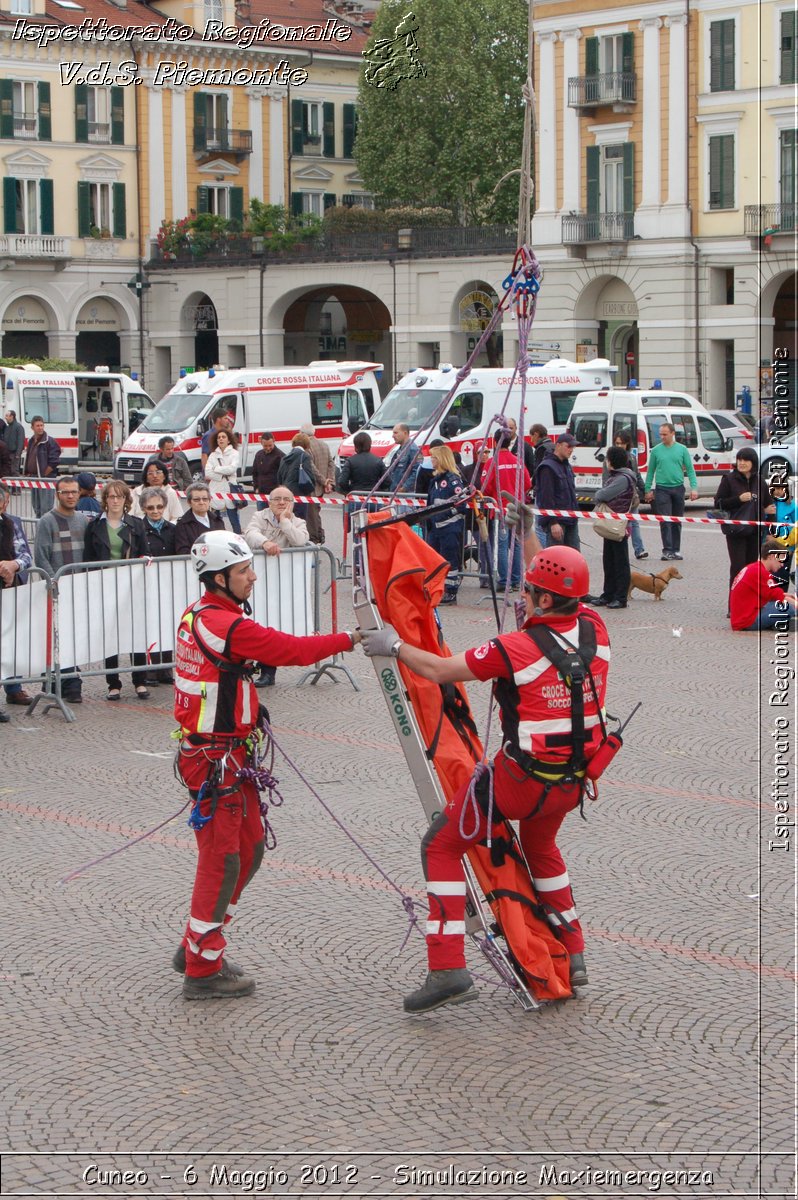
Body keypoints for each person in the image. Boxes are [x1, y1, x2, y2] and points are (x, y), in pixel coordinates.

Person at [361, 540, 608, 1013]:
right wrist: (531, 534)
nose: (523, 595)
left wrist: (393, 645)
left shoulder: (515, 648)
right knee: (542, 850)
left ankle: (447, 967)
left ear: (546, 599)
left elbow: (437, 668)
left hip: (521, 783)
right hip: (572, 782)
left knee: (440, 845)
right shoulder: (596, 630)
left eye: (530, 590)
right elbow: (557, 587)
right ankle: (573, 953)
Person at [174, 530, 362, 999]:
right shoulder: (222, 624)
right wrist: (351, 638)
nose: (253, 577)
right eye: (244, 572)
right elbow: (290, 651)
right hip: (212, 759)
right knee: (223, 860)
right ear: (219, 579)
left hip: (233, 755)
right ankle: (202, 966)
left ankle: (199, 940)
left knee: (252, 848)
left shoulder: (213, 615)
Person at [84, 480, 149, 701]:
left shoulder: (136, 525)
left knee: (135, 633)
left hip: (131, 586)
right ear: (105, 500)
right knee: (110, 634)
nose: (114, 501)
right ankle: (113, 683)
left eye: (119, 497)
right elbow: (88, 559)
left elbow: (144, 553)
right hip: (105, 586)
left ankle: (140, 681)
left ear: (125, 500)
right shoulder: (94, 526)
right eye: (110, 496)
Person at [243, 486, 310, 687]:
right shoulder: (259, 516)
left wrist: (285, 522)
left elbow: (299, 541)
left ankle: (268, 671)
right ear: (269, 502)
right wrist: (265, 543)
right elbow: (249, 534)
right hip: (258, 579)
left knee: (274, 626)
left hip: (283, 583)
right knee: (254, 623)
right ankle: (248, 666)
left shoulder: (299, 521)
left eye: (286, 499)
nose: (281, 503)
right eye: (277, 499)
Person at [33, 476, 91, 703]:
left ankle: (70, 682)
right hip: (56, 589)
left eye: (74, 492)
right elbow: (41, 557)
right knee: (55, 638)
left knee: (73, 637)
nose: (70, 496)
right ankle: (56, 682)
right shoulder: (46, 521)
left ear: (79, 493)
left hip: (78, 589)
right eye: (65, 492)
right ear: (57, 494)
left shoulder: (83, 520)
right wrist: (53, 584)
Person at [713, 448, 773, 593]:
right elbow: (718, 503)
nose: (741, 463)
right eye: (739, 459)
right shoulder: (728, 479)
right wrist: (738, 499)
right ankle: (734, 605)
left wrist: (771, 530)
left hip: (755, 532)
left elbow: (770, 507)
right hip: (735, 531)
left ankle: (749, 604)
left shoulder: (760, 481)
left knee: (751, 568)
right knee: (738, 568)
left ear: (753, 462)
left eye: (745, 460)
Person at [135, 485, 178, 685]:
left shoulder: (172, 529)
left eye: (159, 507)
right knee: (149, 626)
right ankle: (149, 670)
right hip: (146, 583)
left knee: (167, 623)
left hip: (168, 582)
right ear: (143, 508)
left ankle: (165, 668)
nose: (155, 511)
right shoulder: (138, 529)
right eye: (150, 507)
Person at [480, 430, 531, 591]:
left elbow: (485, 487)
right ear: (510, 442)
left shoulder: (492, 462)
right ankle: (515, 580)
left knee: (501, 546)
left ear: (495, 442)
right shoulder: (518, 461)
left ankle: (504, 581)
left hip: (500, 510)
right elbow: (528, 484)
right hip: (517, 509)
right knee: (515, 545)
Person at [0, 481, 34, 713]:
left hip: (10, 590)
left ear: (5, 503)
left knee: (12, 639)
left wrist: (14, 565)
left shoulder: (12, 523)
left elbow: (26, 555)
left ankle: (14, 687)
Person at [590, 446, 637, 609]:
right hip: (611, 522)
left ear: (612, 461)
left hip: (618, 524)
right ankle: (608, 594)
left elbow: (602, 495)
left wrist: (599, 494)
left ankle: (620, 596)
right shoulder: (618, 476)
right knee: (609, 561)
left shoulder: (622, 478)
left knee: (620, 561)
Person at [644, 423, 698, 561]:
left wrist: (694, 488)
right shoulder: (656, 451)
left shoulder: (682, 449)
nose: (662, 437)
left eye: (665, 434)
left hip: (678, 488)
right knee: (665, 520)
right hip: (662, 489)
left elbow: (690, 470)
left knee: (677, 520)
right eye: (660, 434)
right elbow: (651, 471)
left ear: (672, 433)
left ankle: (676, 549)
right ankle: (667, 549)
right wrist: (647, 489)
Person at [426, 444, 465, 605]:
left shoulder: (452, 480)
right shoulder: (435, 480)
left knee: (450, 561)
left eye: (433, 457)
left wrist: (443, 515)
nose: (431, 460)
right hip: (436, 528)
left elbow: (461, 504)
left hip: (449, 527)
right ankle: (436, 588)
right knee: (434, 560)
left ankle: (450, 592)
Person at [729, 538, 798, 630]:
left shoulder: (753, 568)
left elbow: (771, 593)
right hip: (747, 620)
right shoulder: (760, 572)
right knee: (789, 608)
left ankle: (776, 622)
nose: (782, 565)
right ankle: (776, 624)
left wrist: (787, 596)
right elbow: (779, 596)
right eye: (781, 560)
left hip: (743, 616)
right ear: (771, 557)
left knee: (783, 603)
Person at [534, 432, 580, 552]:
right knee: (557, 561)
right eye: (568, 446)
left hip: (571, 519)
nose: (571, 450)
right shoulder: (547, 467)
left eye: (573, 447)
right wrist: (553, 522)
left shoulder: (566, 466)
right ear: (558, 445)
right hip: (558, 522)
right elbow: (546, 498)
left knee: (574, 559)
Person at [608, 430, 647, 559]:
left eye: (622, 444)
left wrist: (645, 490)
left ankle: (639, 550)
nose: (619, 446)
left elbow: (637, 476)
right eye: (617, 443)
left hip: (632, 497)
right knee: (620, 524)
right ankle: (618, 549)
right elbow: (606, 479)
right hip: (617, 498)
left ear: (627, 444)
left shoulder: (631, 457)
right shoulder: (610, 458)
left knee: (634, 522)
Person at [335, 431, 384, 532]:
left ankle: (359, 547)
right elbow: (387, 481)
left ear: (356, 446)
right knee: (375, 531)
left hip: (356, 499)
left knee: (358, 532)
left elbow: (342, 481)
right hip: (374, 499)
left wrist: (350, 490)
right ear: (370, 445)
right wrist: (379, 489)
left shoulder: (350, 461)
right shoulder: (378, 461)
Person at [300, 422, 334, 545]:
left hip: (311, 486)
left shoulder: (307, 448)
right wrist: (329, 481)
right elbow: (331, 463)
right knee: (316, 512)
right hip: (321, 487)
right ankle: (319, 534)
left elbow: (312, 468)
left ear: (303, 434)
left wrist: (324, 481)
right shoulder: (324, 445)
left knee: (311, 515)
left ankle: (315, 537)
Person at [204, 428, 242, 535]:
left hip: (230, 488)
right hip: (216, 488)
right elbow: (207, 472)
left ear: (228, 440)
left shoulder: (234, 453)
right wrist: (221, 476)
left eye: (223, 437)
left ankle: (238, 536)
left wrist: (216, 469)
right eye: (219, 437)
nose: (221, 439)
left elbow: (232, 469)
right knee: (216, 518)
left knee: (233, 517)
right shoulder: (212, 455)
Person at [174, 482, 225, 555]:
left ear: (209, 501)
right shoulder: (182, 525)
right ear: (189, 502)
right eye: (196, 500)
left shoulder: (218, 521)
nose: (201, 502)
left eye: (205, 499)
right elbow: (183, 552)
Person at [24, 416, 60, 517]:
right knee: (36, 506)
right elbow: (29, 456)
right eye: (37, 426)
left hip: (45, 479)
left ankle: (47, 529)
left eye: (41, 425)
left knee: (46, 508)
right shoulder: (31, 441)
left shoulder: (50, 441)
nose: (40, 428)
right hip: (34, 478)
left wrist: (44, 474)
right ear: (32, 427)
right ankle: (39, 528)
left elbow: (54, 461)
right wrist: (27, 472)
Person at [769, 479, 798, 588]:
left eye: (781, 489)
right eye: (776, 488)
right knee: (771, 573)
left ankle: (782, 597)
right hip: (771, 543)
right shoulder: (768, 504)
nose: (778, 491)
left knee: (783, 574)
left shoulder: (792, 505)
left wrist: (791, 548)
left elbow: (796, 527)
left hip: (786, 544)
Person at [251, 432, 285, 510]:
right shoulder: (259, 455)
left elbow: (284, 475)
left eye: (270, 445)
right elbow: (255, 472)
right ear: (261, 443)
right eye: (265, 446)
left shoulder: (280, 456)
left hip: (275, 494)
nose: (268, 448)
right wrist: (256, 487)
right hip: (261, 493)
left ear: (274, 441)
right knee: (261, 518)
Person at [388, 423, 421, 492]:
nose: (393, 436)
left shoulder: (414, 450)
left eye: (396, 433)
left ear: (405, 433)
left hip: (404, 494)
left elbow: (417, 471)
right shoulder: (399, 450)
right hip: (395, 491)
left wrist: (405, 487)